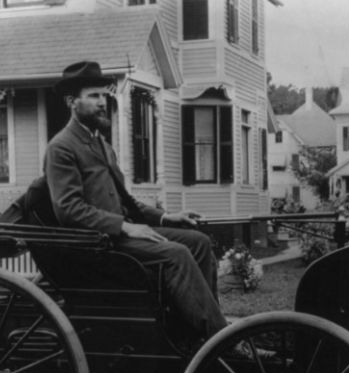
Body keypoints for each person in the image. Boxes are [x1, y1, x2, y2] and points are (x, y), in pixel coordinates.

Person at [42, 61, 228, 345]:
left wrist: (166, 218)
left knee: (198, 242)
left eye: (104, 95)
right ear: (71, 102)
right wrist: (126, 228)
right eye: (94, 96)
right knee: (176, 253)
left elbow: (126, 202)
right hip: (96, 246)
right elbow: (68, 209)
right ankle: (221, 344)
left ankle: (200, 333)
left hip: (118, 237)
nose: (103, 102)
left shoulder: (102, 144)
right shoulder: (61, 147)